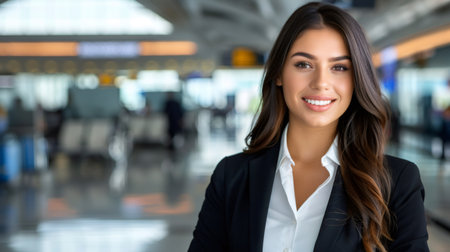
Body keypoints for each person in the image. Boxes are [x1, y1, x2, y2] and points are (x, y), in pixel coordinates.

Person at [188, 2, 429, 252]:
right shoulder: (232, 177)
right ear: (279, 73)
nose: (321, 83)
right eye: (304, 64)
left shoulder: (396, 182)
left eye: (339, 67)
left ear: (357, 79)